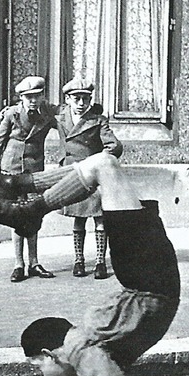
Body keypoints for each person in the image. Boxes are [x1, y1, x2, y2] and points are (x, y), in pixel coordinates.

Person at [0, 150, 180, 376]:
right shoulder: (88, 349)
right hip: (146, 275)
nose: (42, 374)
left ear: (50, 352)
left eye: (39, 365)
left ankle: (23, 200)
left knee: (104, 166)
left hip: (149, 275)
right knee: (103, 166)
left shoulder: (81, 351)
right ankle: (16, 188)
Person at [0, 75, 57, 283]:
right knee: (16, 216)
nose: (33, 101)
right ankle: (19, 264)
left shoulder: (47, 113)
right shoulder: (11, 114)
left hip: (34, 172)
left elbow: (67, 116)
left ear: (43, 96)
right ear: (21, 98)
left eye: (37, 96)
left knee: (34, 216)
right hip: (12, 171)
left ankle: (34, 263)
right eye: (29, 97)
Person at [56, 78, 123, 280]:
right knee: (78, 219)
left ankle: (100, 262)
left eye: (86, 99)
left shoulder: (98, 120)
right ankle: (79, 261)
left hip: (92, 176)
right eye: (76, 99)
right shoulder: (60, 116)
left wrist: (97, 162)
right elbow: (37, 110)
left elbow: (114, 146)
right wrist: (11, 111)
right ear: (68, 99)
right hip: (72, 174)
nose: (81, 103)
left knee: (99, 218)